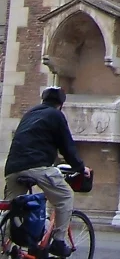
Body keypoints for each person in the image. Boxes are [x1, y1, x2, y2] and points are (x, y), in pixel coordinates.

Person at [4, 87, 89, 258]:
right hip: (37, 165)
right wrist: (81, 168)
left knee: (12, 207)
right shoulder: (56, 115)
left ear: (43, 100)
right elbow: (67, 147)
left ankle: (6, 245)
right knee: (65, 196)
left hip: (13, 167)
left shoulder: (30, 114)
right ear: (60, 104)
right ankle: (58, 242)